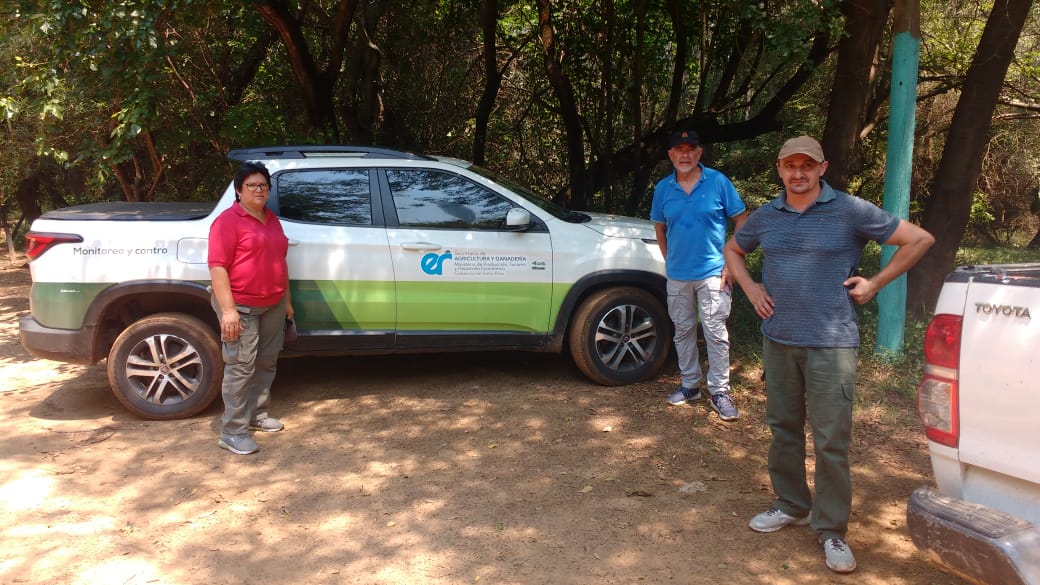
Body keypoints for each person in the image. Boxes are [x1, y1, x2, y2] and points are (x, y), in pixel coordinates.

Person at [722, 136, 934, 573]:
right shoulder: (767, 215)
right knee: (782, 427)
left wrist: (875, 283)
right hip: (779, 339)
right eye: (790, 165)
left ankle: (832, 529)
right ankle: (792, 503)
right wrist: (751, 286)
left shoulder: (850, 211)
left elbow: (918, 239)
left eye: (807, 165)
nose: (798, 173)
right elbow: (733, 249)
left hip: (832, 342)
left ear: (823, 168)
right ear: (779, 169)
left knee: (831, 440)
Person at [651, 130, 748, 421]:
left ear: (699, 153)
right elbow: (659, 228)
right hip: (679, 275)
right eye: (678, 149)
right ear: (670, 155)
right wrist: (671, 262)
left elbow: (741, 219)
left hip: (713, 272)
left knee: (715, 333)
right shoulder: (663, 188)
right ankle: (690, 385)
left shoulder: (718, 182)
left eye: (690, 149)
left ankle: (720, 391)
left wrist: (732, 263)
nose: (685, 155)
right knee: (682, 331)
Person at [208, 161, 294, 455]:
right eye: (252, 185)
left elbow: (280, 262)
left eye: (264, 185)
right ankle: (232, 431)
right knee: (240, 367)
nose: (259, 190)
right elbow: (218, 267)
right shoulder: (227, 222)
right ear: (238, 190)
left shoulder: (271, 219)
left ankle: (257, 416)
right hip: (241, 306)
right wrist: (228, 310)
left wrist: (287, 302)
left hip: (273, 304)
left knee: (266, 361)